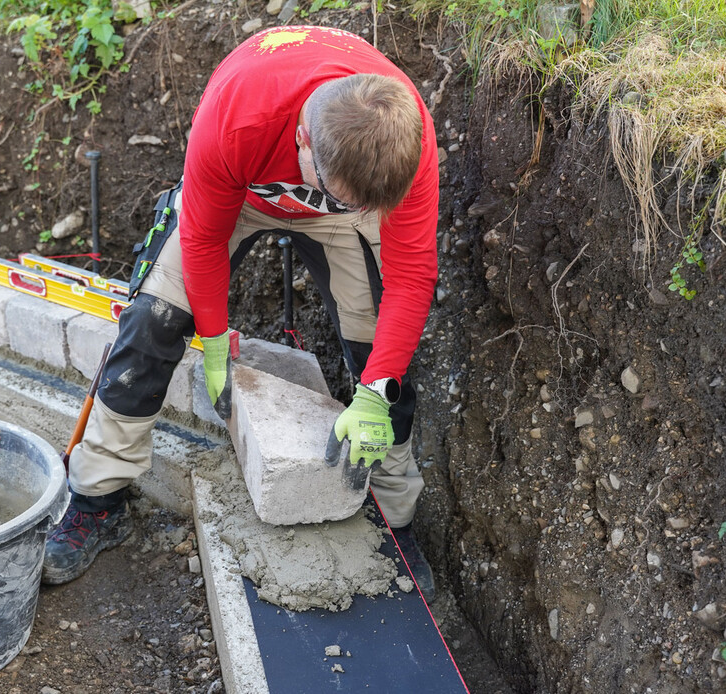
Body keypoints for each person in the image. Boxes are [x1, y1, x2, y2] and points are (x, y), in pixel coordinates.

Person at [42, 25, 440, 601]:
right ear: (303, 140)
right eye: (335, 191)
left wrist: (376, 388)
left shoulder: (406, 141)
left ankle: (391, 514)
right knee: (154, 319)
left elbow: (411, 276)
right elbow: (202, 243)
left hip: (345, 200)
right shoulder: (238, 117)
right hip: (242, 193)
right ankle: (99, 500)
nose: (345, 205)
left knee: (382, 342)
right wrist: (211, 337)